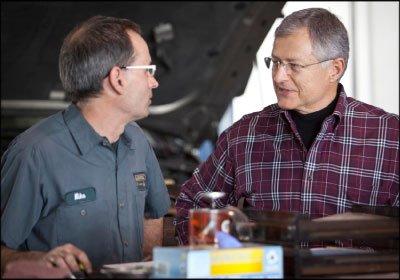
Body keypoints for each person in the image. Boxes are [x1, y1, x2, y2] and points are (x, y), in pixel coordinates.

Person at [174, 8, 399, 245]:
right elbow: (191, 206)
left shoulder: (391, 137)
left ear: (335, 69)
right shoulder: (243, 136)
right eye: (276, 62)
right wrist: (231, 239)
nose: (279, 76)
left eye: (294, 65)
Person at [1, 15, 171, 274]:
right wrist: (37, 260)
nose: (154, 81)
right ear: (118, 78)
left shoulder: (138, 141)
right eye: (148, 70)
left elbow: (153, 212)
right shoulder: (34, 154)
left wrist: (144, 265)